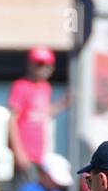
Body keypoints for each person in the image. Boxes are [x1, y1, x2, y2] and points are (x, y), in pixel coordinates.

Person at [8, 45, 67, 182]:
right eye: (40, 64)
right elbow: (12, 121)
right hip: (25, 153)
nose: (44, 68)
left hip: (39, 154)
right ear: (30, 65)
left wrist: (63, 103)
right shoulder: (21, 86)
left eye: (48, 65)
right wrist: (19, 152)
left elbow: (43, 113)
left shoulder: (45, 87)